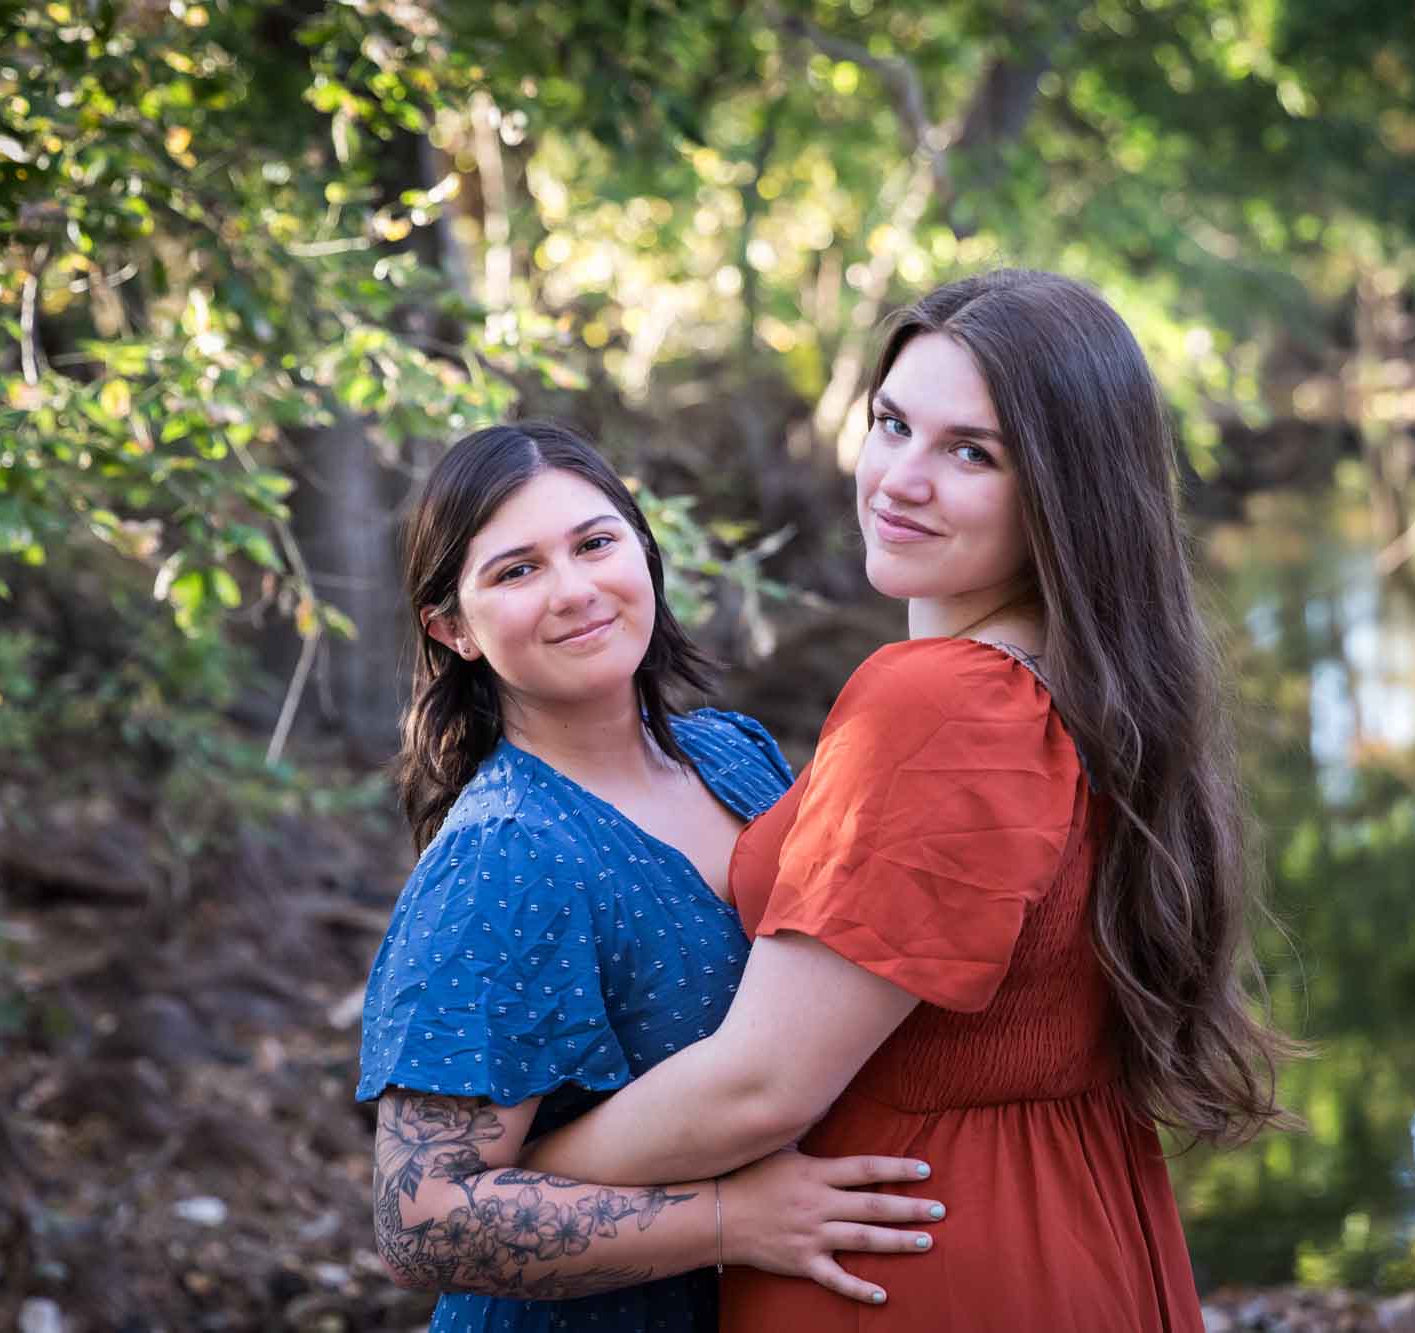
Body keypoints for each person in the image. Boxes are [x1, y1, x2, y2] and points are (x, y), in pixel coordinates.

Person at [521, 269, 1302, 1329]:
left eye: (970, 452)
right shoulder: (1094, 684)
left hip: (914, 1265)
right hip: (1068, 1226)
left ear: (1065, 491)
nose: (899, 479)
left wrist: (513, 1182)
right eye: (891, 424)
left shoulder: (943, 705)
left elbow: (760, 1086)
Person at [356, 421, 943, 1333]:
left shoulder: (737, 755)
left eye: (595, 543)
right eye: (517, 570)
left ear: (643, 549)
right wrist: (727, 1221)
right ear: (454, 629)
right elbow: (418, 1220)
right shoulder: (502, 856)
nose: (575, 589)